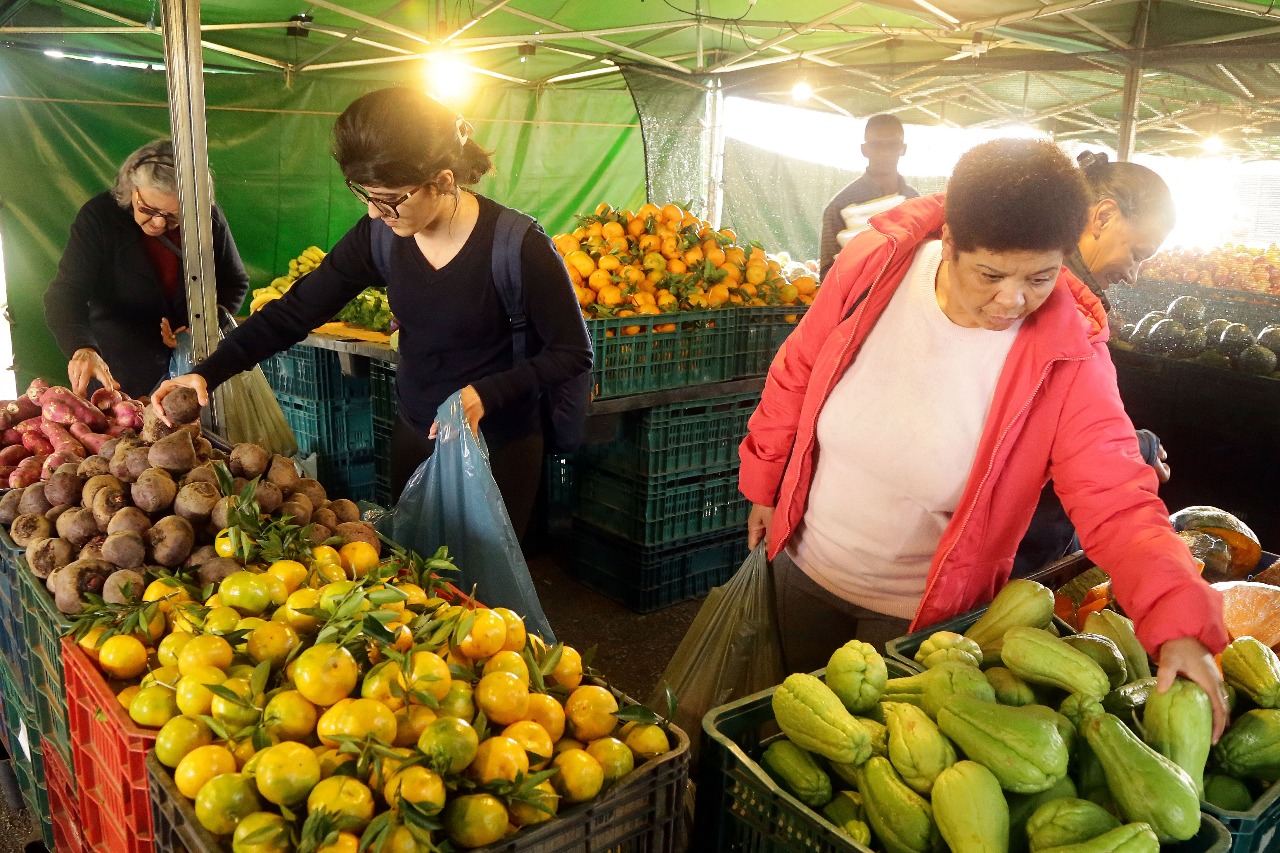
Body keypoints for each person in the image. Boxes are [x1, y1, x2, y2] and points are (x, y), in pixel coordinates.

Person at [740, 138, 1230, 738]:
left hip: (919, 620)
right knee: (786, 732)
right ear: (948, 244)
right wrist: (764, 483)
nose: (1013, 299)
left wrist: (1178, 620)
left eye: (1040, 277)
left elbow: (1117, 498)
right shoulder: (876, 266)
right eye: (991, 274)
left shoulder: (1070, 353)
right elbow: (797, 371)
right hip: (804, 567)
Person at [152, 87, 591, 539]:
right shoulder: (379, 238)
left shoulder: (518, 246)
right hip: (416, 433)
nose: (375, 212)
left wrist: (487, 393)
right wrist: (208, 372)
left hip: (500, 444)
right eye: (364, 193)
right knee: (418, 579)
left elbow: (573, 353)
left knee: (487, 597)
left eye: (390, 198)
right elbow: (295, 311)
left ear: (442, 179)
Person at [1014, 153, 1176, 575]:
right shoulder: (1047, 300)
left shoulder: (1041, 279)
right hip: (1013, 544)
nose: (1134, 275)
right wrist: (1136, 447)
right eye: (1138, 253)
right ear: (1103, 216)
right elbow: (1038, 432)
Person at [44, 140, 250, 398]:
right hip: (118, 373)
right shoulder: (99, 218)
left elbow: (235, 282)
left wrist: (198, 326)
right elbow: (66, 294)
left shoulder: (206, 219)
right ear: (131, 189)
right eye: (148, 210)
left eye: (174, 216)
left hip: (191, 370)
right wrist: (83, 348)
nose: (158, 223)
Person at [819, 114, 919, 280]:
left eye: (892, 144)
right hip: (862, 302)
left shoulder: (915, 201)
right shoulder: (841, 206)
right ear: (864, 149)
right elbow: (827, 273)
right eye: (876, 145)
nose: (885, 152)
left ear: (903, 148)